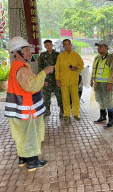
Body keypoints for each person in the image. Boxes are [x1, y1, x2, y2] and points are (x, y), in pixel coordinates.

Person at [5, 36, 54, 171]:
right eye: (26, 50)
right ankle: (33, 162)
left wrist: (39, 80)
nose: (29, 53)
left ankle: (23, 158)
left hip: (18, 108)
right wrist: (44, 72)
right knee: (31, 134)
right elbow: (31, 86)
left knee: (22, 135)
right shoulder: (22, 68)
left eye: (28, 50)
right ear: (16, 53)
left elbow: (26, 83)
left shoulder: (16, 66)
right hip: (27, 108)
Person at [55, 39, 84, 122]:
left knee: (75, 98)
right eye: (65, 45)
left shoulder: (76, 55)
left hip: (74, 80)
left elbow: (81, 65)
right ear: (63, 46)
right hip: (64, 81)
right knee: (65, 98)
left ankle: (76, 114)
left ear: (71, 45)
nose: (67, 46)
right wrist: (57, 79)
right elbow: (57, 69)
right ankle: (67, 114)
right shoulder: (60, 56)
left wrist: (76, 68)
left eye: (68, 44)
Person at [91, 40, 113, 128]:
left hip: (106, 83)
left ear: (106, 47)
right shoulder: (97, 57)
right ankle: (102, 117)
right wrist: (92, 79)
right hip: (98, 83)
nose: (99, 48)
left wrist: (110, 83)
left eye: (101, 46)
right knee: (100, 100)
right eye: (98, 46)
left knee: (108, 101)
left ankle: (111, 120)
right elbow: (94, 68)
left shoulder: (110, 58)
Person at [38, 39, 63, 117]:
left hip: (56, 79)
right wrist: (43, 79)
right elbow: (40, 67)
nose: (48, 46)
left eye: (50, 44)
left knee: (59, 95)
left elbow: (61, 67)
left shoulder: (58, 55)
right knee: (46, 96)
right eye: (46, 45)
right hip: (47, 79)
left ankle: (62, 110)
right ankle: (47, 110)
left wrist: (55, 70)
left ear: (52, 45)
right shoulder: (42, 55)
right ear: (44, 46)